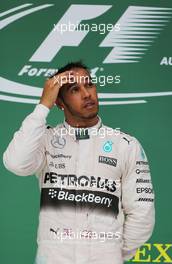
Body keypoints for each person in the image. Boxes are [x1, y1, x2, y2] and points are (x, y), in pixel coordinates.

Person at [3, 61, 155, 264]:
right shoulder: (45, 139)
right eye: (75, 89)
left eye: (89, 85)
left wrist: (113, 252)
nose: (87, 94)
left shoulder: (125, 145)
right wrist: (42, 106)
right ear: (59, 102)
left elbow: (142, 210)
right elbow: (15, 163)